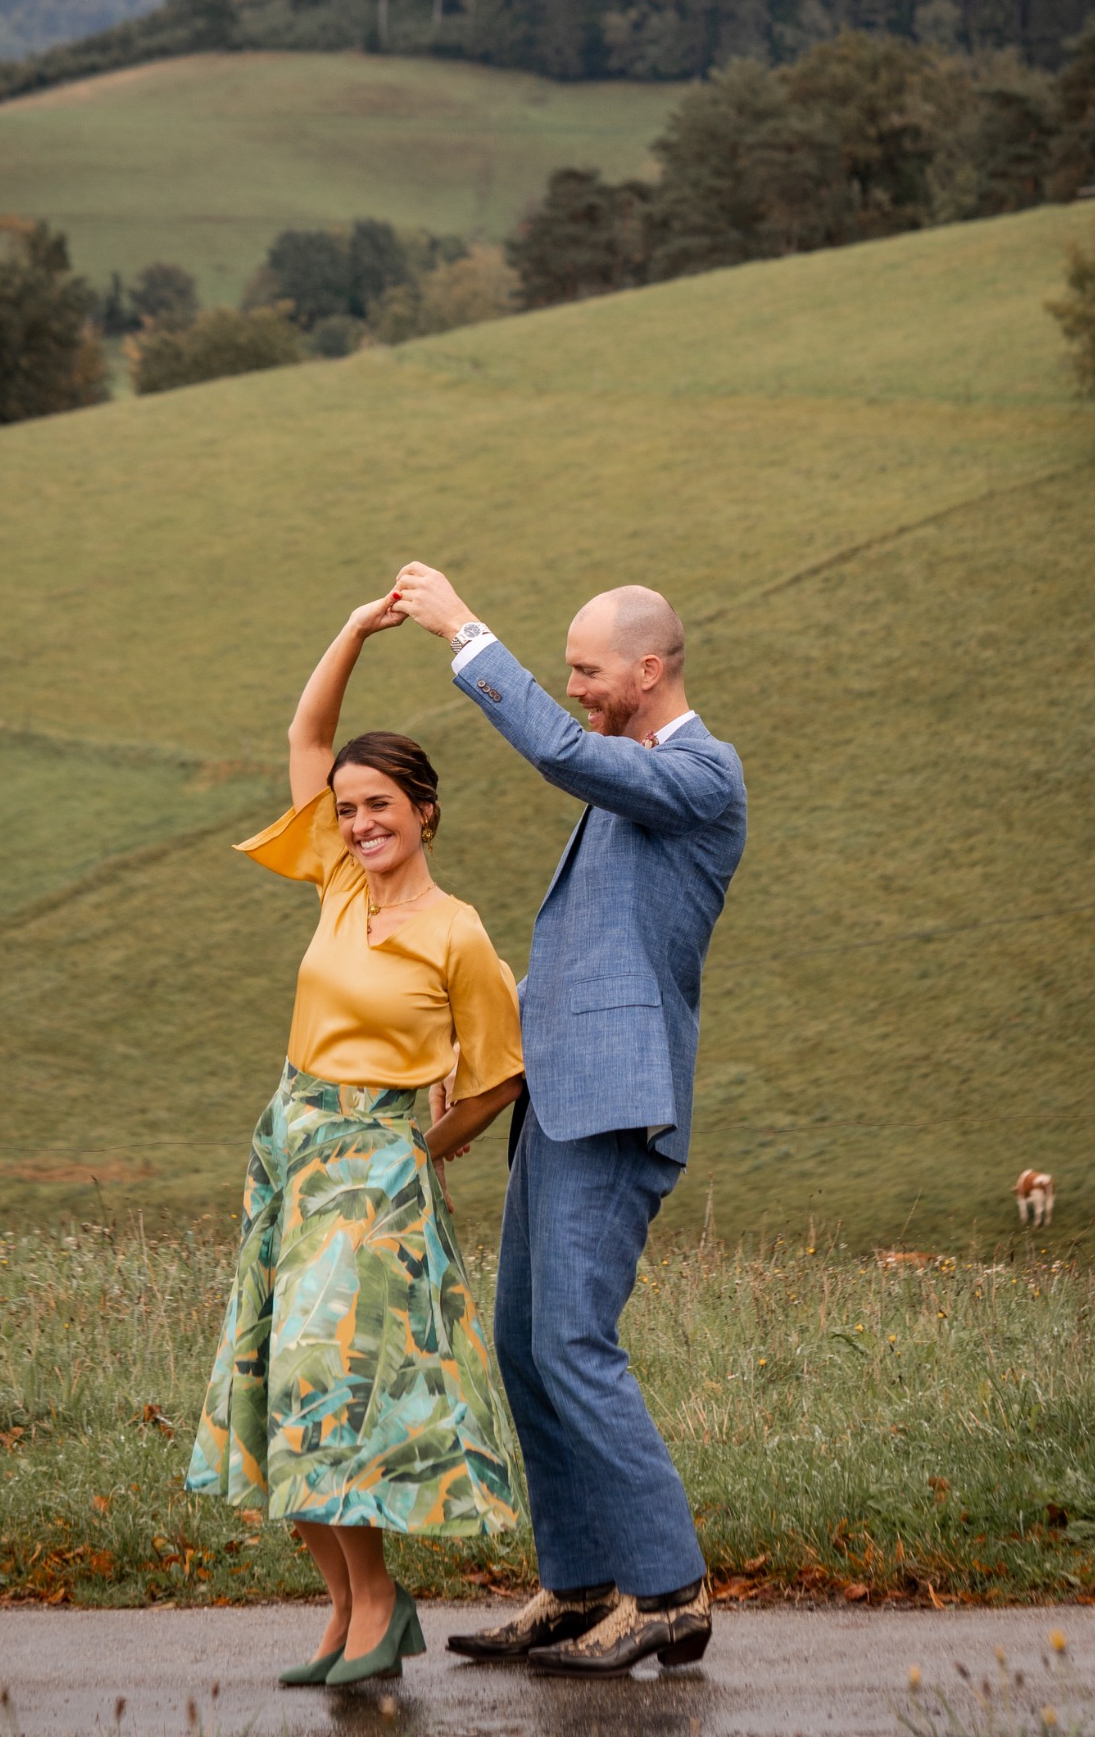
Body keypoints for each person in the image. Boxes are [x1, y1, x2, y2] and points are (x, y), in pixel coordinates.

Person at [392, 566, 747, 1678]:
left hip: (617, 1100)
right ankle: (582, 1580)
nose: (576, 687)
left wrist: (461, 630)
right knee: (525, 1341)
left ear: (650, 669)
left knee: (573, 1341)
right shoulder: (635, 773)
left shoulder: (700, 770)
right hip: (558, 1096)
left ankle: (669, 1588)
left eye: (588, 671)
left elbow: (559, 751)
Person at [185, 593, 525, 1689]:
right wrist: (351, 629)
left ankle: (379, 1600)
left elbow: (499, 1071)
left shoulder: (456, 930)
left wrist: (429, 1148)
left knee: (333, 1386)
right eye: (348, 806)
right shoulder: (336, 880)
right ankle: (340, 1611)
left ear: (424, 809)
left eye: (380, 804)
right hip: (290, 1149)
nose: (359, 819)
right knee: (277, 1383)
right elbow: (305, 738)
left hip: (374, 1172)